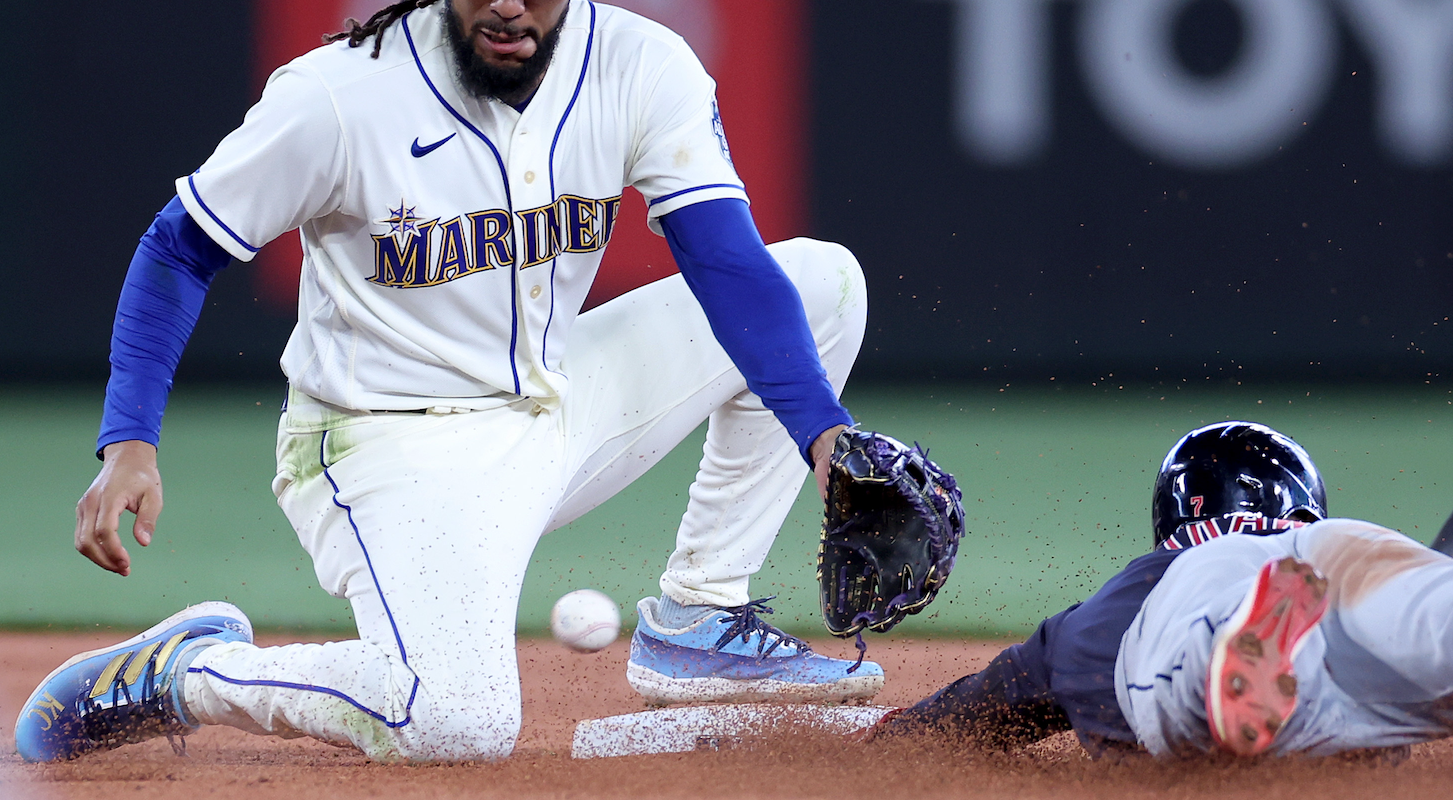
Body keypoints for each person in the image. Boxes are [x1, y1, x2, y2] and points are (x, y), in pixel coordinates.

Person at [16, 0, 882, 764]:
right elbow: (179, 247)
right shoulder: (340, 95)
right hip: (390, 444)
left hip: (554, 400)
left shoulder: (639, 64)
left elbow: (726, 264)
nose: (507, 7)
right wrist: (129, 437)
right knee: (451, 722)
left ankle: (701, 616)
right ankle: (188, 672)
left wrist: (823, 434)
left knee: (821, 283)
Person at [873, 421, 1453, 759]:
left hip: (1198, 602)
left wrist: (895, 735)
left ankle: (1229, 656)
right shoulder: (1329, 537)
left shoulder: (1147, 582)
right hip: (1351, 560)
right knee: (1430, 617)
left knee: (1177, 675)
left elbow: (968, 715)